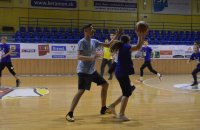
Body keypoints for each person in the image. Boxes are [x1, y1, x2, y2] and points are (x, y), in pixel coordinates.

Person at [66, 24, 122, 122]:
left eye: (92, 29)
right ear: (85, 31)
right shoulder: (82, 42)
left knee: (105, 84)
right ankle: (70, 113)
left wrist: (117, 35)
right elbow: (79, 57)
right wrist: (92, 58)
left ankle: (103, 108)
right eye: (91, 29)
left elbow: (108, 45)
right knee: (81, 91)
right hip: (83, 71)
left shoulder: (94, 41)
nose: (93, 30)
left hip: (92, 71)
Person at [108, 30, 147, 121]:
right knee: (126, 93)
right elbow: (138, 46)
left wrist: (141, 36)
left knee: (129, 90)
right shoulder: (125, 46)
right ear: (128, 41)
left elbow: (138, 46)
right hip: (122, 72)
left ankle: (112, 106)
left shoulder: (121, 46)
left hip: (120, 72)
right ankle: (121, 115)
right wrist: (140, 36)